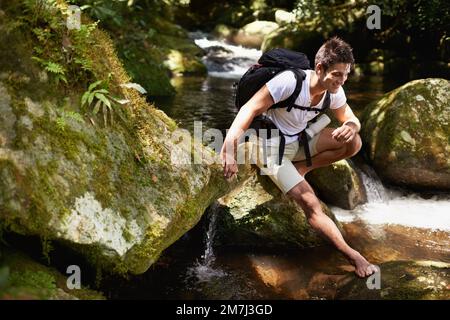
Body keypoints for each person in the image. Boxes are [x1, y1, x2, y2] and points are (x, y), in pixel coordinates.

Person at [220, 37, 377, 278]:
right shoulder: (289, 82)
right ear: (319, 68)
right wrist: (229, 149)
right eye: (337, 74)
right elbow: (248, 109)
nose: (342, 80)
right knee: (311, 204)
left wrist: (352, 126)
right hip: (270, 149)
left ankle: (301, 169)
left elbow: (351, 117)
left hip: (297, 142)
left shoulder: (334, 91)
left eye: (346, 75)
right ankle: (353, 255)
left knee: (354, 142)